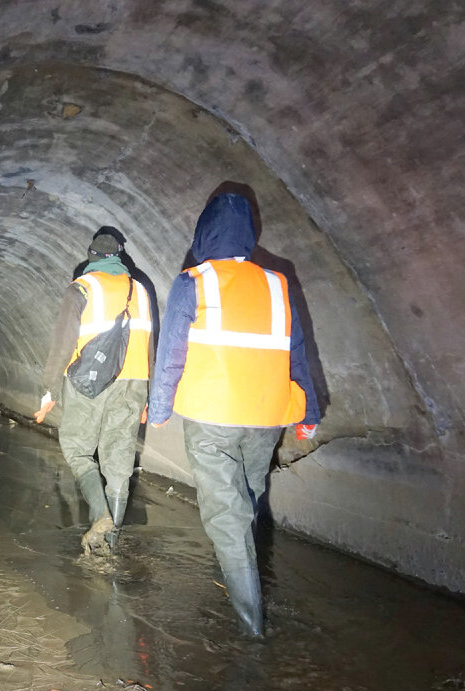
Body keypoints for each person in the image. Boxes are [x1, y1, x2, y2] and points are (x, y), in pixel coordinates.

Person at [148, 193, 320, 636]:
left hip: (212, 414)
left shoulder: (194, 281)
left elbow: (171, 353)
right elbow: (297, 355)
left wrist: (161, 407)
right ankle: (236, 570)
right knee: (247, 496)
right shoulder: (277, 284)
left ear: (204, 232)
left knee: (226, 514)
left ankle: (252, 628)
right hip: (266, 417)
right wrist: (310, 412)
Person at [35, 231, 153, 555]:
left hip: (89, 383)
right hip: (134, 384)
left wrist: (49, 392)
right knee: (119, 461)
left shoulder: (81, 288)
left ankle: (100, 515)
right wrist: (148, 398)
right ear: (119, 256)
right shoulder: (141, 291)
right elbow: (150, 345)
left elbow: (62, 345)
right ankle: (109, 547)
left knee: (76, 448)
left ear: (91, 256)